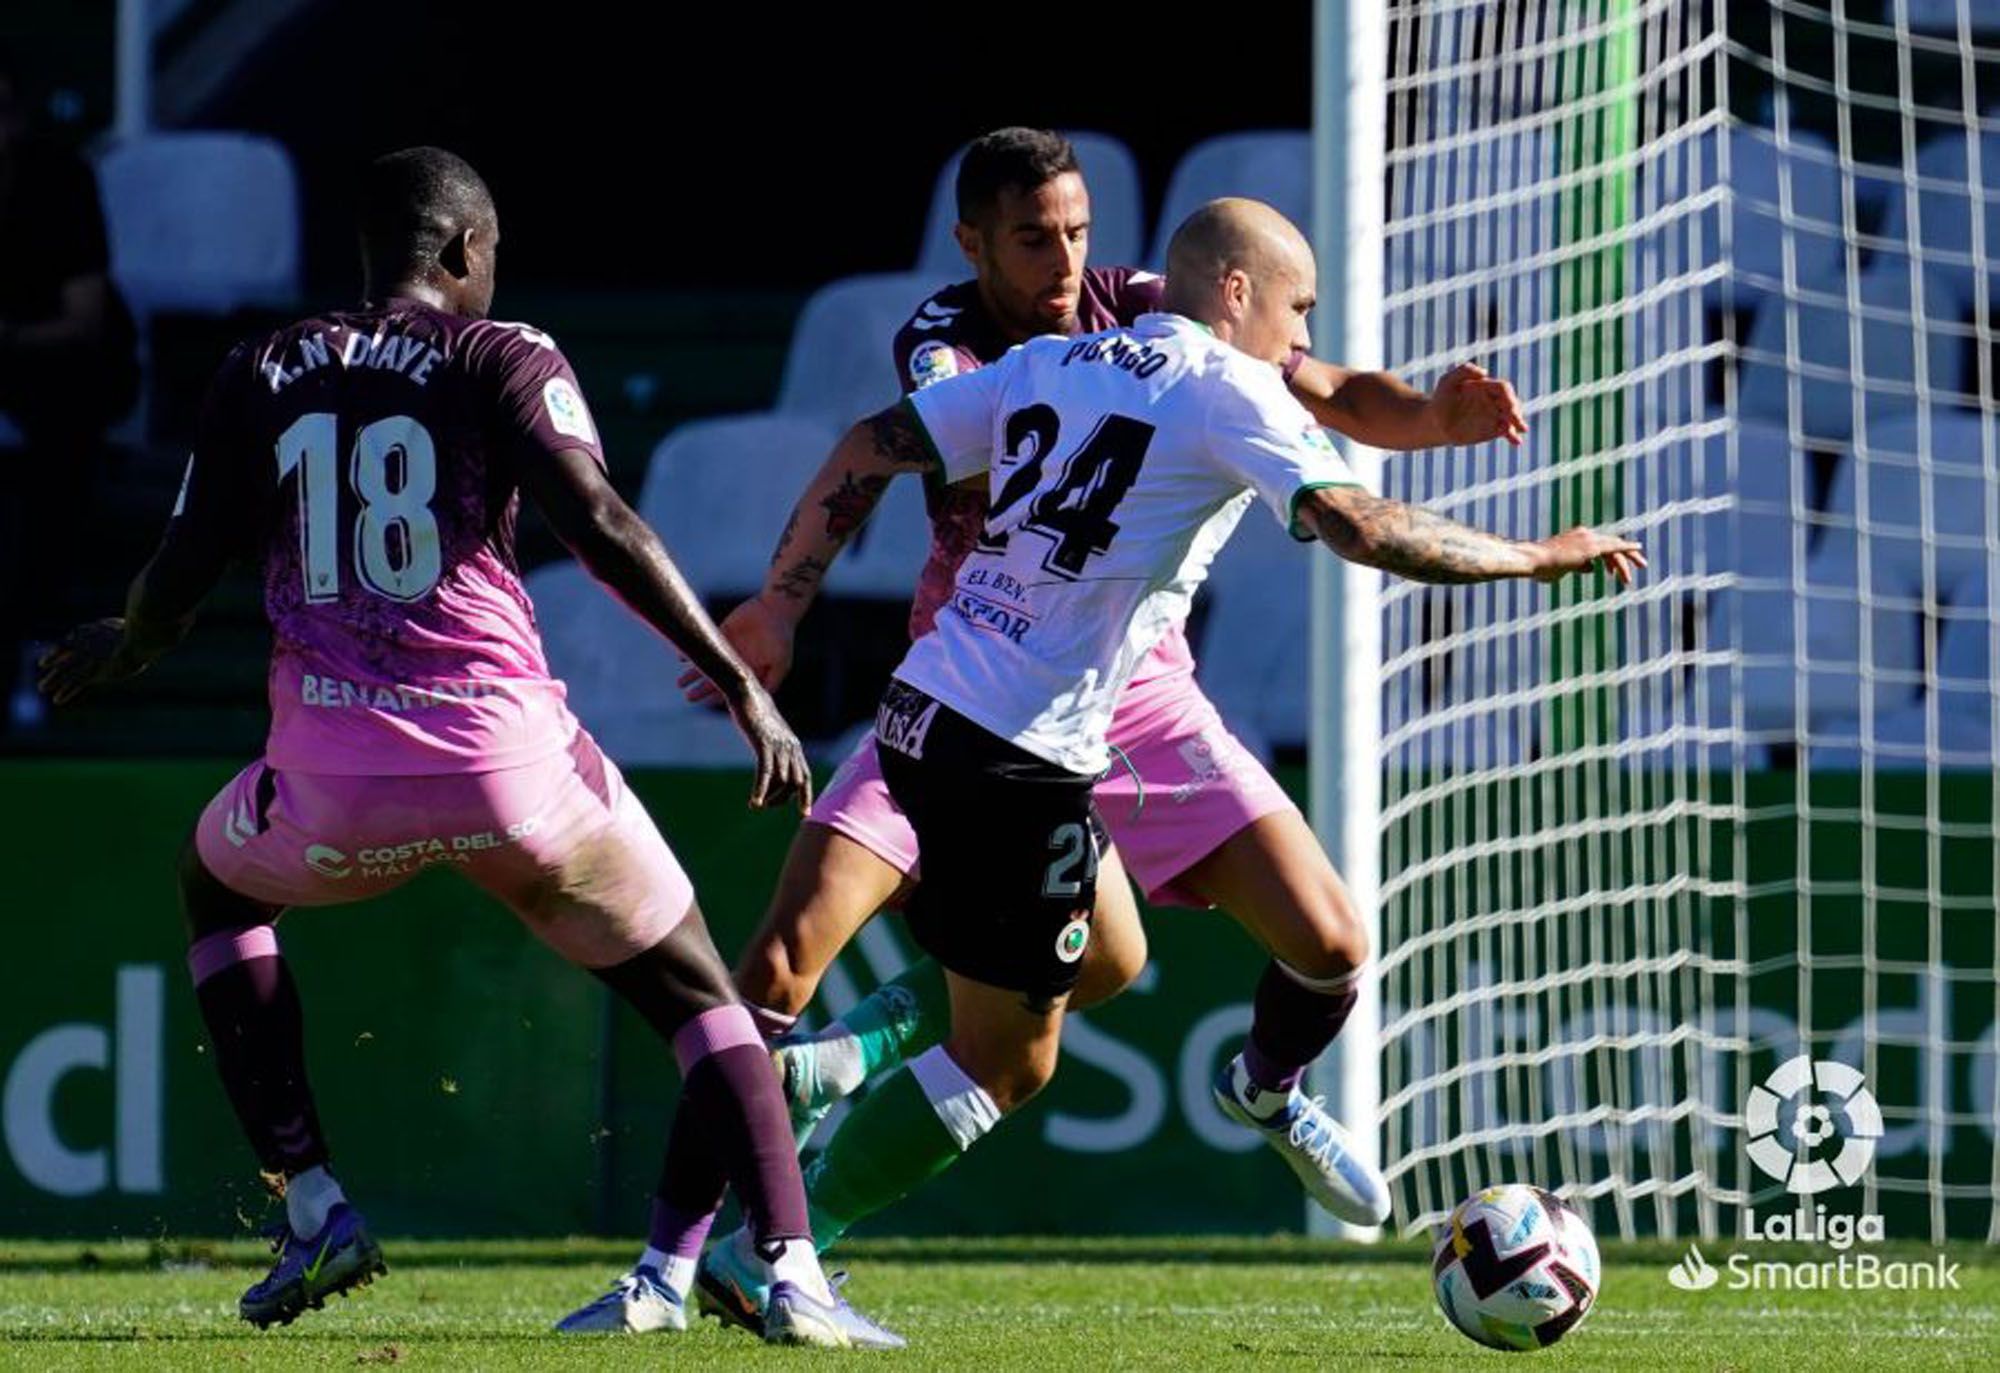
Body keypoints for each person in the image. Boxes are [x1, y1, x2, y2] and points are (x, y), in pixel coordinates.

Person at [588, 128, 1526, 1306]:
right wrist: (778, 606)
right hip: (982, 673)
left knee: (1199, 954)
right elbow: (949, 462)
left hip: (1136, 686)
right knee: (785, 956)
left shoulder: (1138, 309)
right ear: (972, 242)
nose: (1065, 262)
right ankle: (670, 1266)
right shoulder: (949, 344)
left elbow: (1318, 383)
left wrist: (1431, 419)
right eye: (1034, 239)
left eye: (1079, 232)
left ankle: (914, 1074)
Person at [36, 146, 898, 1350]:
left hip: (330, 782)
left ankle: (315, 1203)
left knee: (214, 885)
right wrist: (747, 687)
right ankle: (793, 1269)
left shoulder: (262, 367)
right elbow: (596, 523)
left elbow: (180, 581)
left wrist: (120, 646)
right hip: (510, 770)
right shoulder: (502, 352)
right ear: (460, 253)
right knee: (701, 991)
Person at [0, 47, 138, 731]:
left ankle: (39, 649)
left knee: (57, 460)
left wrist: (13, 340)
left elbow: (82, 320)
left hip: (55, 371)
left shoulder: (60, 181)